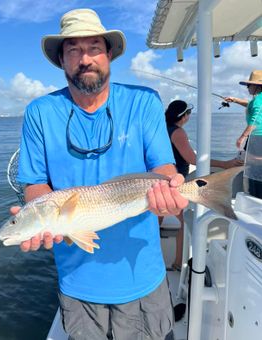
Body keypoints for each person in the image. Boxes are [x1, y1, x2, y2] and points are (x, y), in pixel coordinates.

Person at [13, 8, 188, 340]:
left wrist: (173, 190)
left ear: (109, 54)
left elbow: (163, 168)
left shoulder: (144, 102)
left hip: (143, 276)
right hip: (77, 282)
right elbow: (35, 183)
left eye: (94, 47)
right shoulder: (39, 112)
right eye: (73, 50)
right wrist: (39, 218)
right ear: (62, 60)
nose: (85, 59)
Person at [161, 100, 243, 270]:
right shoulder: (178, 132)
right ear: (183, 116)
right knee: (183, 222)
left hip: (163, 179)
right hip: (175, 181)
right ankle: (177, 263)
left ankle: (154, 254)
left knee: (157, 217)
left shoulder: (163, 128)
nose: (189, 116)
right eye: (188, 113)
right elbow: (192, 159)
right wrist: (225, 165)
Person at [224, 70, 262, 149]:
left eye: (248, 85)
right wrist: (235, 100)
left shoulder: (258, 99)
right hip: (256, 137)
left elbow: (256, 120)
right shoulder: (258, 99)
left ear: (256, 86)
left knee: (251, 160)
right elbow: (251, 106)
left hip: (258, 138)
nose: (247, 87)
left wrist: (242, 137)